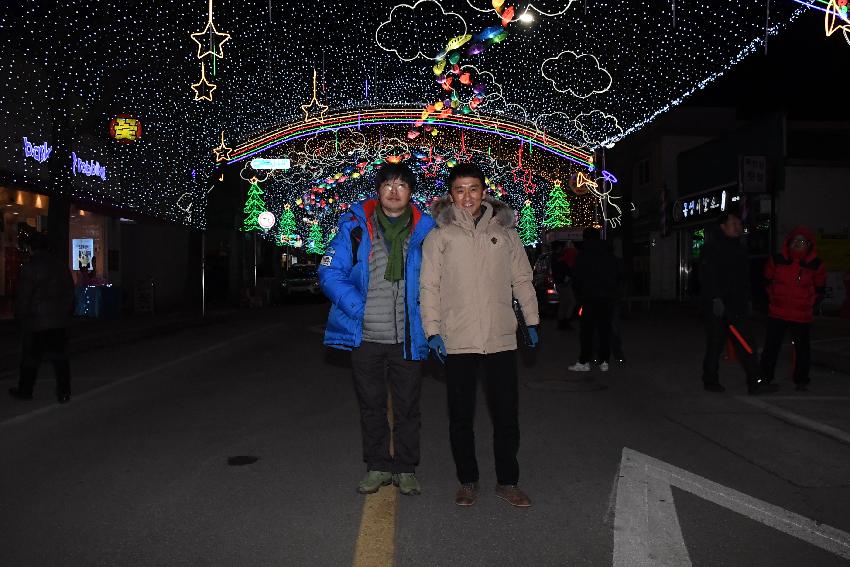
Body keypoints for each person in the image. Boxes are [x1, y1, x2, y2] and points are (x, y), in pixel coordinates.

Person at [420, 163, 539, 508]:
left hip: (500, 337)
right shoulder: (439, 236)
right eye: (460, 190)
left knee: (506, 414)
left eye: (473, 188)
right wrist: (433, 331)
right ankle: (467, 481)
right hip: (457, 340)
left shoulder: (505, 234)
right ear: (451, 195)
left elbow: (522, 280)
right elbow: (429, 286)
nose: (467, 196)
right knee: (461, 416)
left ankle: (508, 481)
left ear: (484, 191)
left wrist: (531, 321)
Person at [319, 162, 435, 496]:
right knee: (371, 405)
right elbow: (329, 273)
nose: (394, 190)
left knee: (408, 407)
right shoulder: (354, 228)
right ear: (378, 190)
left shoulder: (426, 231)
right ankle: (378, 465)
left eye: (401, 185)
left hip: (408, 338)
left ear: (411, 192)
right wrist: (359, 308)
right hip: (366, 336)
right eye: (388, 184)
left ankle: (406, 468)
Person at [699, 212, 764, 394]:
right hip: (718, 308)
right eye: (733, 223)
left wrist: (748, 299)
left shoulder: (740, 248)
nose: (738, 226)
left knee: (747, 343)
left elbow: (744, 279)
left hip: (738, 306)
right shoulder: (712, 248)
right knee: (715, 344)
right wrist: (715, 299)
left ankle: (755, 382)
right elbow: (707, 277)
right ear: (723, 226)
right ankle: (710, 379)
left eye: (739, 223)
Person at [9, 232, 75, 403]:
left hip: (36, 320)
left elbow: (24, 296)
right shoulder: (60, 266)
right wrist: (66, 311)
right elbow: (69, 292)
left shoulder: (30, 267)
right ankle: (64, 391)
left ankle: (25, 389)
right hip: (58, 320)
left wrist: (20, 316)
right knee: (60, 358)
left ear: (32, 248)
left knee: (30, 358)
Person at [761, 226, 826, 391]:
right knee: (771, 347)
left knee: (802, 349)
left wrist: (809, 304)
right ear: (788, 243)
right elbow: (766, 282)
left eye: (802, 241)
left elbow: (820, 289)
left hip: (801, 315)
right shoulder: (777, 260)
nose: (798, 244)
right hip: (777, 313)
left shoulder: (815, 264)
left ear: (809, 245)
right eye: (795, 240)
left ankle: (801, 379)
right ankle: (764, 377)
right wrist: (774, 298)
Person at [568, 227, 619, 372]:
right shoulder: (609, 254)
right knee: (604, 330)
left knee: (586, 332)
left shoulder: (583, 255)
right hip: (606, 299)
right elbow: (617, 274)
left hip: (588, 299)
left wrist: (580, 296)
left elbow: (576, 277)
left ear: (585, 238)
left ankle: (584, 361)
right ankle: (604, 361)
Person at [551, 241, 577, 330]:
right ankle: (565, 321)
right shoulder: (558, 258)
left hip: (561, 283)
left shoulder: (555, 258)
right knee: (570, 302)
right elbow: (564, 269)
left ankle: (562, 321)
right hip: (563, 283)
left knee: (564, 302)